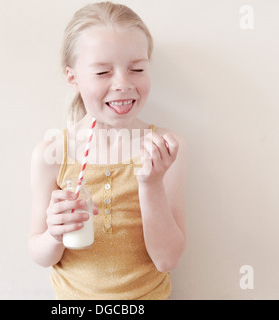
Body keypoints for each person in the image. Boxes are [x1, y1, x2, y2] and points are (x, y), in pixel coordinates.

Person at [28, 1, 187, 300]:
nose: (123, 84)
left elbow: (167, 260)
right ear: (73, 78)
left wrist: (150, 184)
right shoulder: (52, 154)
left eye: (137, 68)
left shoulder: (166, 148)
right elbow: (40, 255)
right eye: (102, 73)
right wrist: (54, 233)